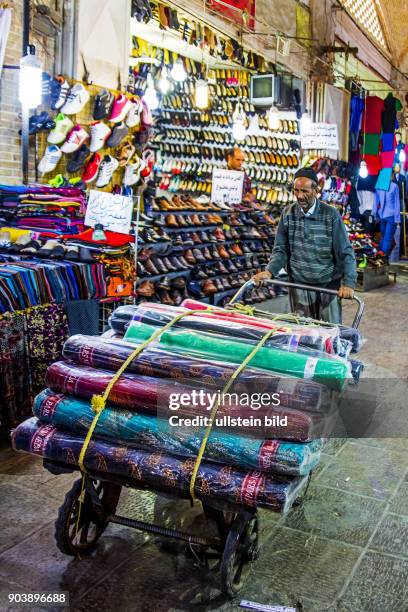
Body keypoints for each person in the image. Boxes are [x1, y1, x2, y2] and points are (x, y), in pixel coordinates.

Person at [253, 167, 357, 324]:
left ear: (316, 190)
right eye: (296, 190)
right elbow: (281, 249)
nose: (300, 196)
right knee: (304, 333)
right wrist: (269, 272)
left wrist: (349, 282)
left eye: (305, 191)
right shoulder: (288, 214)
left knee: (331, 331)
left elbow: (345, 251)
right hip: (299, 283)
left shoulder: (331, 215)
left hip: (327, 284)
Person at [374, 171, 401, 257]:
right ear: (391, 175)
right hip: (391, 215)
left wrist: (374, 213)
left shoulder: (379, 186)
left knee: (384, 237)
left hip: (382, 215)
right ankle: (383, 256)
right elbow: (397, 203)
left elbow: (376, 202)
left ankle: (380, 255)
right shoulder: (394, 186)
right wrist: (397, 219)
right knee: (387, 237)